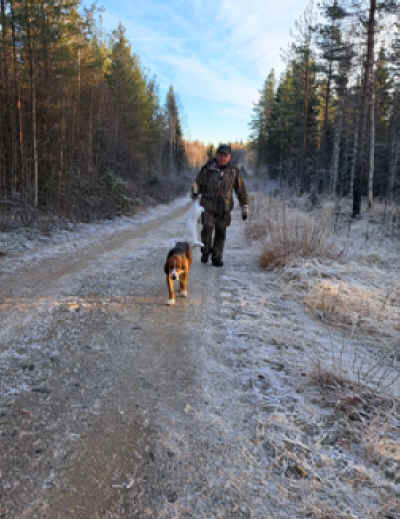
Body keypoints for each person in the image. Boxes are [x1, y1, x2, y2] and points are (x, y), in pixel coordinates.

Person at [191, 144, 249, 267]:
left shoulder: (234, 171)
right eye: (220, 155)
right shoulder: (208, 168)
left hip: (224, 208)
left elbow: (241, 190)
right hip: (207, 206)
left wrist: (244, 206)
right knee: (207, 228)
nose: (222, 158)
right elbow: (197, 182)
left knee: (220, 232)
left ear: (229, 157)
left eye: (225, 156)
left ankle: (217, 256)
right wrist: (195, 192)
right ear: (216, 155)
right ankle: (206, 250)